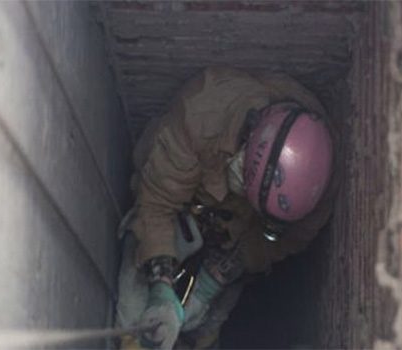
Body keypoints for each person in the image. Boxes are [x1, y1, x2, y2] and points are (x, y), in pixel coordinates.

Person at [115, 66, 339, 350]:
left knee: (202, 320)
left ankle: (204, 340)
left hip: (233, 234)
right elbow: (157, 203)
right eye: (244, 180)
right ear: (249, 140)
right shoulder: (202, 116)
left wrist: (218, 276)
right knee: (136, 315)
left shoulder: (315, 194)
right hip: (176, 208)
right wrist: (160, 288)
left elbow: (279, 243)